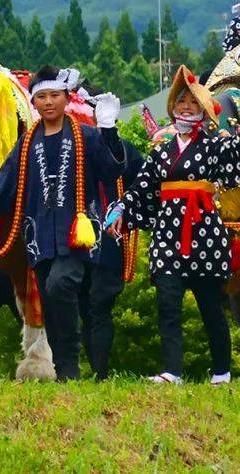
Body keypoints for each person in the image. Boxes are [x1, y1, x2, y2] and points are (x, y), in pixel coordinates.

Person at [106, 66, 240, 384]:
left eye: (193, 104)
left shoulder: (213, 146)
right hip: (168, 233)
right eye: (181, 102)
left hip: (204, 233)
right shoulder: (162, 152)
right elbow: (142, 187)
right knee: (167, 302)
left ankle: (222, 371)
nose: (185, 107)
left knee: (210, 306)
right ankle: (172, 371)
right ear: (172, 108)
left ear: (204, 111)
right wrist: (122, 209)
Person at [0, 66, 124, 381]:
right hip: (40, 237)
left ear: (66, 98)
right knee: (50, 299)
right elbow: (4, 182)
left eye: (54, 95)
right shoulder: (27, 143)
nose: (48, 102)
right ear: (34, 102)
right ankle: (66, 371)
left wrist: (108, 128)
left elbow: (111, 171)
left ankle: (71, 362)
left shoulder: (86, 136)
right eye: (42, 96)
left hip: (77, 235)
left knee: (60, 285)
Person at [79, 136, 144, 380]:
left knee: (100, 306)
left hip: (109, 235)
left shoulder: (123, 148)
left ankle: (100, 373)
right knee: (83, 306)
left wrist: (126, 209)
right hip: (78, 236)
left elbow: (141, 185)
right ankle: (94, 372)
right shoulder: (73, 143)